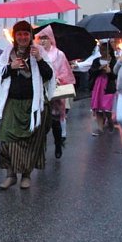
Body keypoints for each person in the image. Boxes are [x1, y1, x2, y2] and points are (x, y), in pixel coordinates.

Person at [0, 20, 54, 190]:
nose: (22, 37)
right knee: (6, 140)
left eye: (26, 34)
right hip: (11, 104)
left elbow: (49, 75)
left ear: (30, 36)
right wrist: (11, 67)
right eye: (19, 34)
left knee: (30, 142)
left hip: (32, 105)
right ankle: (10, 175)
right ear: (14, 36)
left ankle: (26, 176)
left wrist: (39, 59)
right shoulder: (8, 52)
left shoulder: (38, 51)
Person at [36, 25, 75, 159]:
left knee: (55, 122)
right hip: (41, 92)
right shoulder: (37, 53)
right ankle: (41, 151)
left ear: (51, 39)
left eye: (45, 38)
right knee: (41, 124)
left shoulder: (59, 54)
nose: (43, 41)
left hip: (55, 93)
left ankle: (58, 145)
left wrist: (59, 79)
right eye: (41, 38)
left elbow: (66, 72)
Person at [88, 41, 117, 135]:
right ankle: (100, 128)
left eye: (104, 50)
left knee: (106, 107)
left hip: (108, 87)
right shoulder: (96, 61)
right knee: (98, 107)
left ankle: (109, 120)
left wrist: (109, 72)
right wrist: (99, 69)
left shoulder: (113, 61)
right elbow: (91, 72)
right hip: (97, 86)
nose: (101, 52)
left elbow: (115, 75)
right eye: (100, 50)